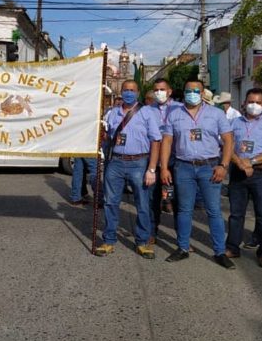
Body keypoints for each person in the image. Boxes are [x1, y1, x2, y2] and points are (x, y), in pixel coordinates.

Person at [160, 79, 235, 269]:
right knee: (184, 210)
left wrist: (223, 166)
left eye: (196, 90)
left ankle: (219, 252)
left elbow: (228, 140)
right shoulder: (174, 114)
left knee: (214, 211)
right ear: (183, 92)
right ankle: (182, 248)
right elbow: (167, 142)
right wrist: (164, 167)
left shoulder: (216, 114)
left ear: (202, 94)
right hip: (183, 167)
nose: (192, 93)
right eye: (188, 90)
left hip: (209, 167)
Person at [95, 80, 161, 259]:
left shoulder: (147, 113)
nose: (129, 93)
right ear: (121, 92)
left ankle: (142, 241)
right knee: (110, 202)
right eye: (126, 90)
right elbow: (107, 136)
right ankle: (108, 240)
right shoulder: (112, 113)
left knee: (142, 204)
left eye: (132, 90)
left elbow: (156, 141)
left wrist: (152, 169)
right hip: (115, 162)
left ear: (138, 92)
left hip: (139, 162)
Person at [225, 88, 262, 268]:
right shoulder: (234, 123)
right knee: (236, 214)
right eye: (251, 102)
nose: (254, 106)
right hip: (238, 173)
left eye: (258, 103)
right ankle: (233, 247)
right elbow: (227, 145)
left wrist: (251, 162)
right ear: (244, 102)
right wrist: (240, 163)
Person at [146, 78, 180, 242]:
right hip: (154, 160)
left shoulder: (180, 109)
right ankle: (152, 232)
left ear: (170, 91)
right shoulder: (147, 110)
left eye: (162, 89)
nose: (159, 93)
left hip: (176, 160)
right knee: (153, 199)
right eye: (156, 90)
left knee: (179, 200)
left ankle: (182, 238)